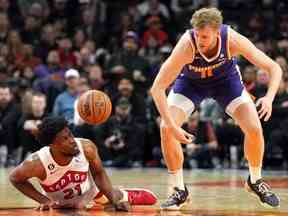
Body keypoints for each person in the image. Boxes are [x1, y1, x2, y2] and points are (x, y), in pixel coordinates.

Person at [150, 7, 282, 209]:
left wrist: (269, 98)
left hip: (226, 83)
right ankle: (179, 190)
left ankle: (254, 180)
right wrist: (172, 126)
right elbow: (157, 88)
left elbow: (274, 68)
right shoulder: (186, 45)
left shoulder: (232, 39)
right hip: (191, 84)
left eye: (205, 36)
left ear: (217, 31)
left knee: (254, 128)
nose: (200, 40)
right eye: (197, 34)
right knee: (166, 129)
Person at [9, 116, 157, 211]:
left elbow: (98, 173)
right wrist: (43, 200)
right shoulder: (38, 162)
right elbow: (15, 178)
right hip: (59, 203)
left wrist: (115, 200)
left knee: (135, 199)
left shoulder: (86, 147)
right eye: (65, 139)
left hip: (88, 191)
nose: (72, 141)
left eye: (71, 135)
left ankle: (124, 194)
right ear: (53, 145)